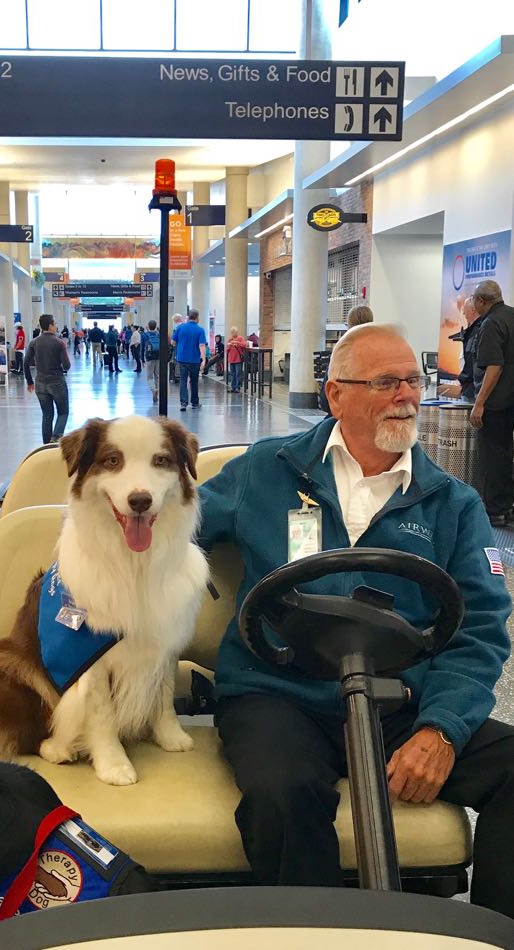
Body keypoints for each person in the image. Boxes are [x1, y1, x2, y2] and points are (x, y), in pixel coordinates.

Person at [199, 323, 514, 918]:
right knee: (281, 792)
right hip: (279, 694)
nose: (407, 396)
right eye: (386, 382)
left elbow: (479, 628)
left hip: (400, 702)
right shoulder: (266, 471)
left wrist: (442, 728)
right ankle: (320, 934)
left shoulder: (452, 503)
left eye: (413, 381)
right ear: (335, 395)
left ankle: (498, 928)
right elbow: (174, 530)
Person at [470, 280, 514, 526]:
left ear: (481, 301)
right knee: (508, 453)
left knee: (493, 455)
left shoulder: (490, 324)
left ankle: (495, 510)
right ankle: (508, 506)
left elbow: (494, 367)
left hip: (497, 403)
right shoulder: (511, 316)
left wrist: (480, 403)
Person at [24, 313, 71, 445]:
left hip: (40, 383)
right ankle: (56, 437)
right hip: (56, 382)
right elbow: (67, 365)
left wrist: (29, 381)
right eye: (55, 324)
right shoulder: (59, 343)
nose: (56, 326)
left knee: (47, 415)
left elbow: (26, 362)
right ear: (50, 326)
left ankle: (46, 444)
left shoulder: (34, 342)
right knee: (63, 412)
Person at [319, 305, 374, 414]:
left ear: (349, 325)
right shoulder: (381, 349)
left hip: (345, 414)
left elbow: (325, 401)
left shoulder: (342, 351)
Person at [438, 297, 485, 401]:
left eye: (465, 310)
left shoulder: (477, 331)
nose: (463, 314)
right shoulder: (476, 329)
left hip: (471, 387)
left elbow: (471, 360)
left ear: (473, 310)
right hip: (471, 385)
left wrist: (462, 379)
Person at [173, 309, 206, 411]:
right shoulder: (200, 330)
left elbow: (173, 342)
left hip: (182, 359)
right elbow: (202, 345)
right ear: (197, 318)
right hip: (194, 360)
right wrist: (203, 359)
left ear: (188, 317)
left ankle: (183, 403)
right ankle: (195, 403)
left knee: (183, 381)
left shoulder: (180, 328)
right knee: (194, 381)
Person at [225, 326, 246, 392]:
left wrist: (237, 343)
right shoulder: (230, 339)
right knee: (232, 373)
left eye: (234, 332)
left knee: (238, 373)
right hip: (231, 359)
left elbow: (244, 344)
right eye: (232, 332)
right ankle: (233, 387)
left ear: (237, 332)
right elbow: (226, 350)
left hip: (238, 359)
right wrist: (229, 346)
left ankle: (238, 387)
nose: (233, 333)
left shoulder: (240, 338)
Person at [144, 320, 160, 405]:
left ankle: (153, 390)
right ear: (156, 326)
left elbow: (142, 347)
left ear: (148, 326)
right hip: (158, 357)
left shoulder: (145, 335)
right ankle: (156, 393)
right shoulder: (159, 335)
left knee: (149, 377)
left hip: (149, 358)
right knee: (157, 376)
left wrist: (142, 360)